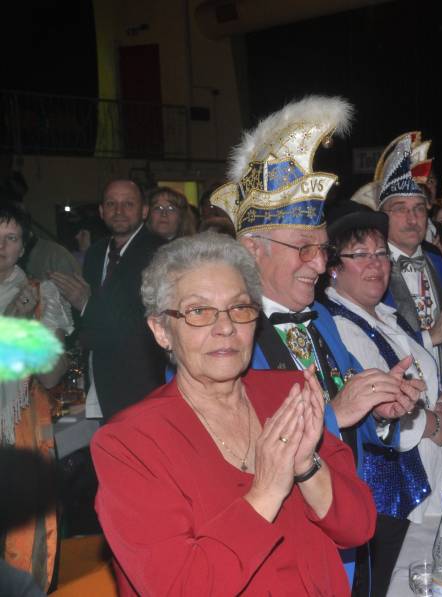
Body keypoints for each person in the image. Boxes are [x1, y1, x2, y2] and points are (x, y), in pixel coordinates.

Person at [91, 232, 376, 596]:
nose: (225, 327)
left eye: (239, 308)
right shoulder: (130, 443)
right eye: (198, 312)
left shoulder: (289, 395)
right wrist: (266, 491)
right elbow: (180, 588)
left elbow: (359, 527)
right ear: (161, 330)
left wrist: (307, 467)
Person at [210, 96, 417, 594]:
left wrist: (379, 412)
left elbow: (350, 425)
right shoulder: (219, 339)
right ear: (251, 249)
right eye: (304, 248)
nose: (321, 266)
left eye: (322, 249)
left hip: (346, 530)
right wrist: (336, 413)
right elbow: (230, 459)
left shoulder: (320, 317)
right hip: (282, 552)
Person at [320, 199, 442, 596]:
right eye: (360, 255)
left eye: (381, 253)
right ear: (334, 267)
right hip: (390, 497)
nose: (376, 264)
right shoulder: (339, 326)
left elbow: (428, 376)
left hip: (426, 483)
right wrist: (436, 422)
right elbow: (382, 407)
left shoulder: (388, 316)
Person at [50, 179, 167, 420]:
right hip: (99, 375)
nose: (119, 211)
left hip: (140, 381)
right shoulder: (96, 252)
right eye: (111, 204)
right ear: (102, 211)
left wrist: (86, 304)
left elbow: (143, 323)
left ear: (144, 211)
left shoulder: (159, 252)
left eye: (128, 204)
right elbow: (85, 319)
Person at [0, 202, 71, 591]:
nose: (1, 246)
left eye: (10, 238)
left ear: (23, 247)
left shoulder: (40, 293)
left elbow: (52, 374)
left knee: (21, 545)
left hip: (20, 434)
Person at [378, 139, 442, 411]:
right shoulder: (371, 270)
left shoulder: (438, 263)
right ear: (382, 216)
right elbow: (375, 350)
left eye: (419, 208)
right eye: (401, 209)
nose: (412, 219)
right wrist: (434, 334)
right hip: (398, 410)